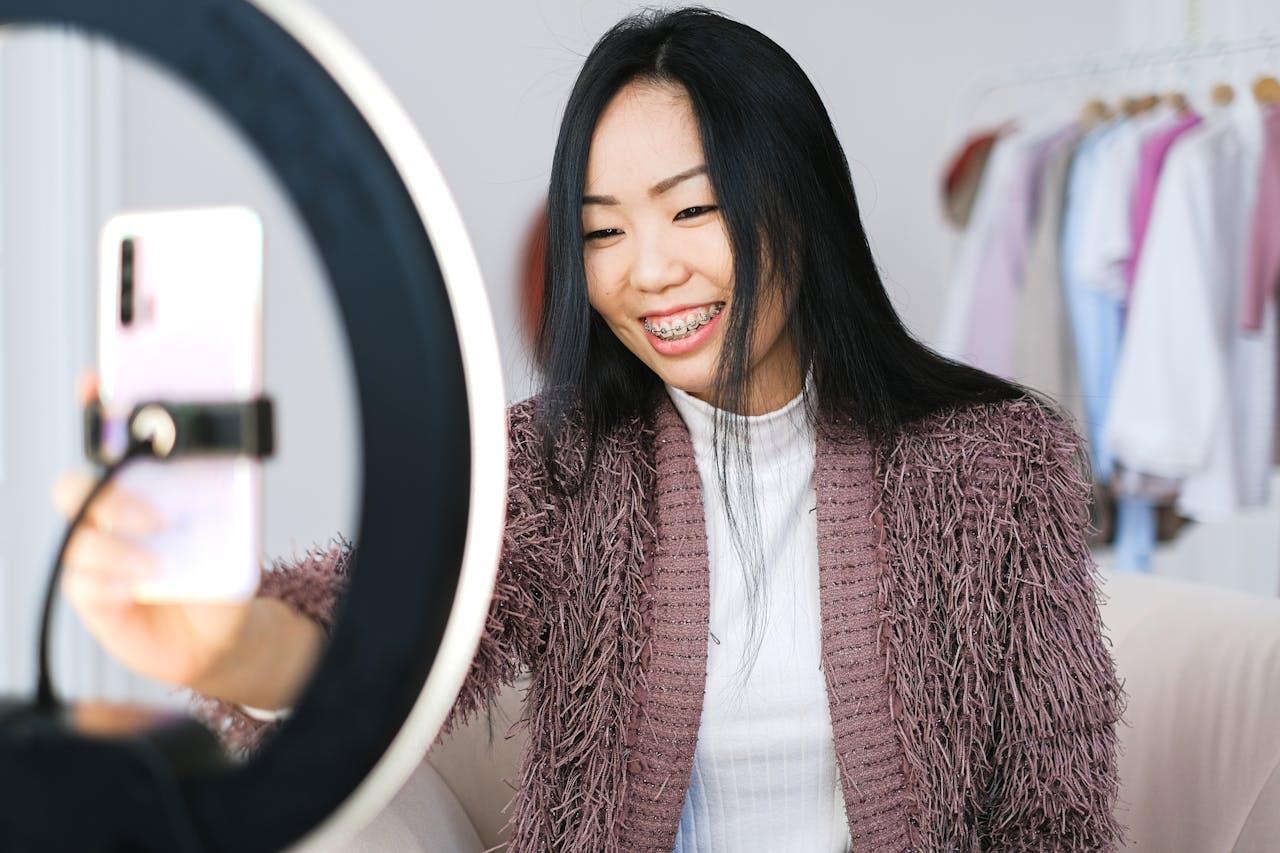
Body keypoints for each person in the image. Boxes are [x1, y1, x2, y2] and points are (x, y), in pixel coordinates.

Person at [56, 8, 1123, 851]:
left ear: (799, 203)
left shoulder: (997, 460)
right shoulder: (559, 463)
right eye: (600, 231)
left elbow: (1054, 816)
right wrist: (229, 643)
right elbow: (387, 623)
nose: (646, 273)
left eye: (692, 210)